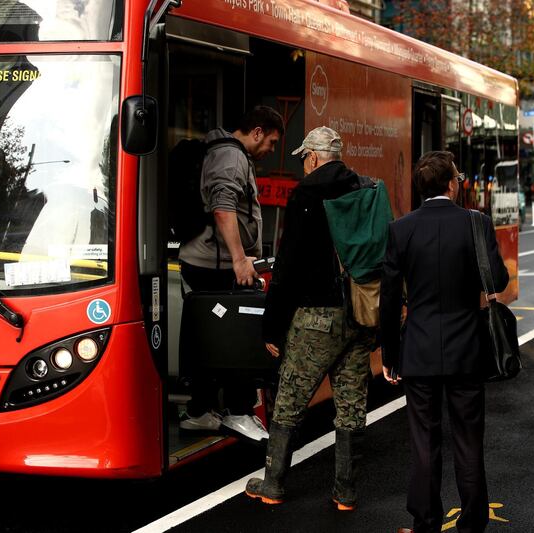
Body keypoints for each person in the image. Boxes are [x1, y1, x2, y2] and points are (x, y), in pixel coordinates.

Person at [245, 126, 377, 511]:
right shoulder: (365, 188)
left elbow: (288, 266)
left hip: (316, 317)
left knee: (290, 399)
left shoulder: (306, 194)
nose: (304, 164)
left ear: (315, 157)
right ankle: (346, 493)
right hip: (359, 313)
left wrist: (272, 324)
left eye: (305, 158)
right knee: (351, 404)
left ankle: (272, 484)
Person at [379, 150, 508, 533]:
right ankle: (471, 523)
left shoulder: (401, 229)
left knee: (423, 441)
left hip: (417, 350)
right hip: (467, 349)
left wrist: (390, 353)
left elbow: (388, 298)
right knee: (469, 441)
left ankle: (425, 521)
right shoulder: (476, 223)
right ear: (452, 184)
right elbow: (497, 280)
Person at [178, 105, 284, 439]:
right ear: (256, 132)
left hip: (208, 259)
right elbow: (223, 207)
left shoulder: (227, 153)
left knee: (211, 336)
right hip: (217, 262)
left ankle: (202, 410)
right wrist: (240, 259)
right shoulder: (231, 156)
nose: (270, 149)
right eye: (271, 142)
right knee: (241, 332)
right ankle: (238, 411)